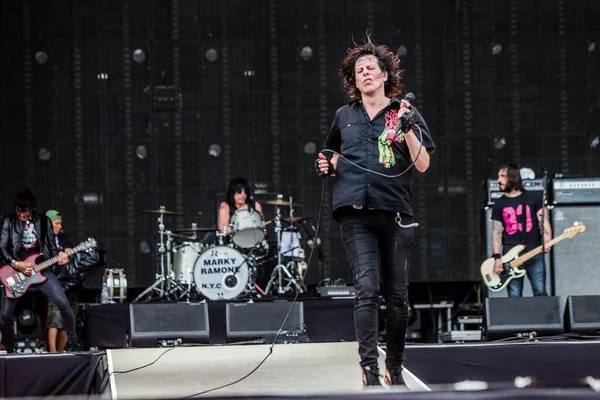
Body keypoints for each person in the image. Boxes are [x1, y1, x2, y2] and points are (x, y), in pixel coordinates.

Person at [315, 38, 435, 388]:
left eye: (370, 68)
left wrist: (409, 128)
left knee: (397, 298)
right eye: (358, 71)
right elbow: (331, 154)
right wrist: (327, 163)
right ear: (354, 80)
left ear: (385, 75)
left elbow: (423, 164)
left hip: (396, 212)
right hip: (354, 212)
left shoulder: (404, 112)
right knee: (366, 288)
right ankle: (369, 368)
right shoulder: (344, 116)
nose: (364, 73)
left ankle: (394, 368)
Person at [0, 189, 79, 353]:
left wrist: (61, 257)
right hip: (16, 271)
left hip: (40, 269)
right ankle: (9, 349)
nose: (21, 215)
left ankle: (73, 342)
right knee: (5, 315)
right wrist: (16, 263)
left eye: (25, 211)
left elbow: (51, 247)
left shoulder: (43, 221)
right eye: (19, 211)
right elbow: (2, 248)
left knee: (64, 304)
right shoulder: (8, 221)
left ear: (32, 208)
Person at [491, 164, 552, 297]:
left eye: (502, 176)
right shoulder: (499, 204)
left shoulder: (534, 197)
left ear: (512, 178)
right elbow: (497, 232)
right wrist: (497, 257)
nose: (498, 180)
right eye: (498, 176)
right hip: (510, 257)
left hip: (534, 252)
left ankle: (542, 317)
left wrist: (547, 239)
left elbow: (543, 220)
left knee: (540, 290)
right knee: (514, 294)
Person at [45, 209, 81, 353]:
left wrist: (69, 251)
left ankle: (60, 353)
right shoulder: (43, 240)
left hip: (70, 282)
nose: (60, 226)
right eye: (57, 223)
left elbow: (70, 250)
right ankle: (52, 353)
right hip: (54, 282)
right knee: (55, 318)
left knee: (70, 316)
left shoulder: (63, 237)